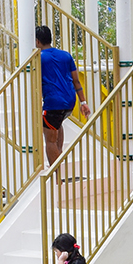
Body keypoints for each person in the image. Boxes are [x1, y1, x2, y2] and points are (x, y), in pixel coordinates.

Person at [35, 25, 89, 165]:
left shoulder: (39, 58)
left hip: (53, 103)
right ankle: (59, 156)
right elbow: (76, 80)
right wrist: (83, 103)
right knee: (57, 125)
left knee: (49, 140)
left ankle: (57, 173)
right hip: (70, 101)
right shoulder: (65, 55)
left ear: (37, 41)